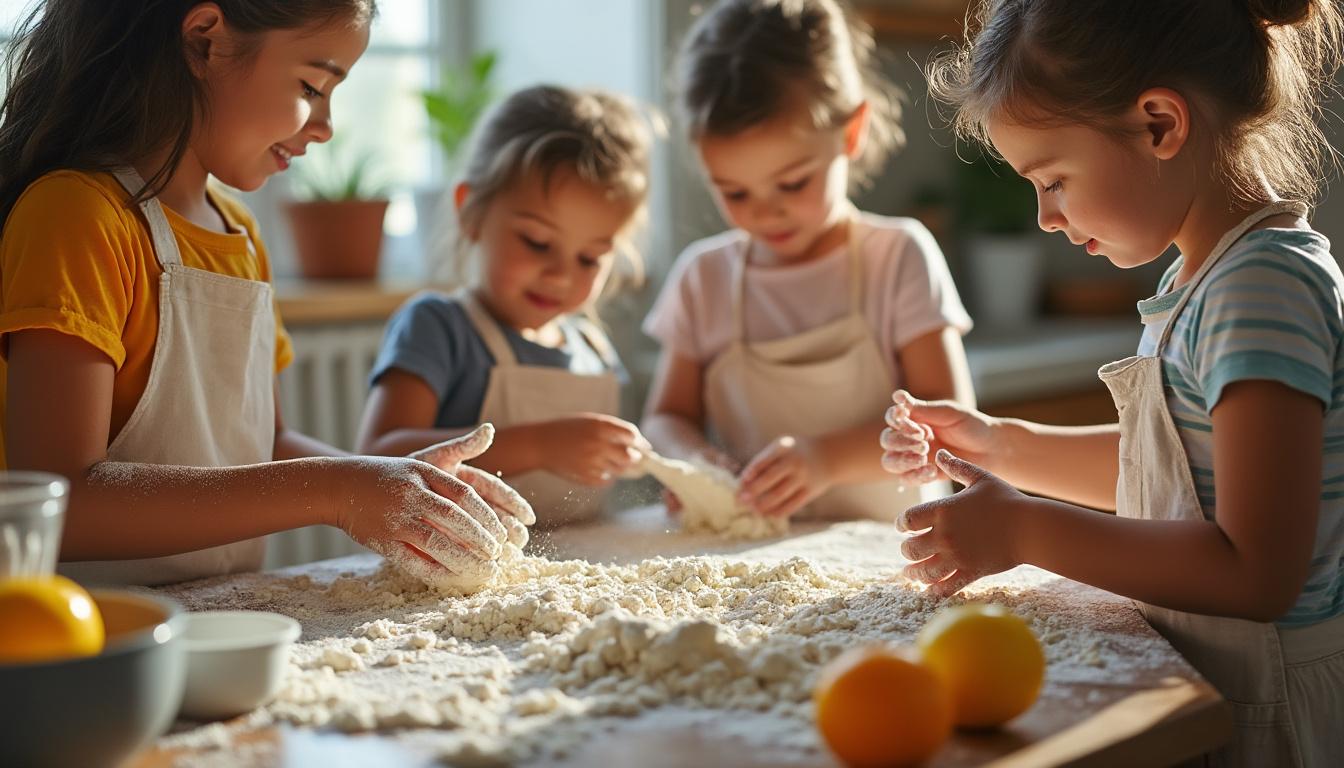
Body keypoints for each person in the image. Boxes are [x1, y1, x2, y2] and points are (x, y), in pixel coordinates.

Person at [884, 0, 1344, 762]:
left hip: (1271, 712)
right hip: (1214, 681)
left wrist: (1027, 530)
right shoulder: (1208, 276)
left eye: (1054, 179)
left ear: (1160, 124)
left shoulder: (1260, 288)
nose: (1045, 217)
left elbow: (1257, 572)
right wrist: (1000, 444)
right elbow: (1177, 475)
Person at [0, 0, 531, 590]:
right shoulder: (78, 217)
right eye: (313, 85)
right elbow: (61, 501)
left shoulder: (241, 233)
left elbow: (270, 441)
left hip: (218, 615)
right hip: (89, 635)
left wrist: (387, 479)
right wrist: (338, 489)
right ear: (204, 42)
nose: (326, 126)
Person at [643, 0, 974, 522]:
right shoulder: (702, 278)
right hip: (757, 561)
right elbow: (666, 416)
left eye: (793, 182)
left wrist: (826, 460)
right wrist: (690, 459)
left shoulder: (896, 257)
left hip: (892, 559)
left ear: (851, 131)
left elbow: (953, 432)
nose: (765, 211)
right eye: (733, 191)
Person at [357, 85, 651, 526]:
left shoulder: (594, 349)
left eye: (589, 258)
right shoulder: (439, 327)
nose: (561, 275)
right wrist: (539, 446)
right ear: (471, 211)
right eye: (536, 242)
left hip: (574, 576)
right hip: (454, 581)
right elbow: (376, 460)